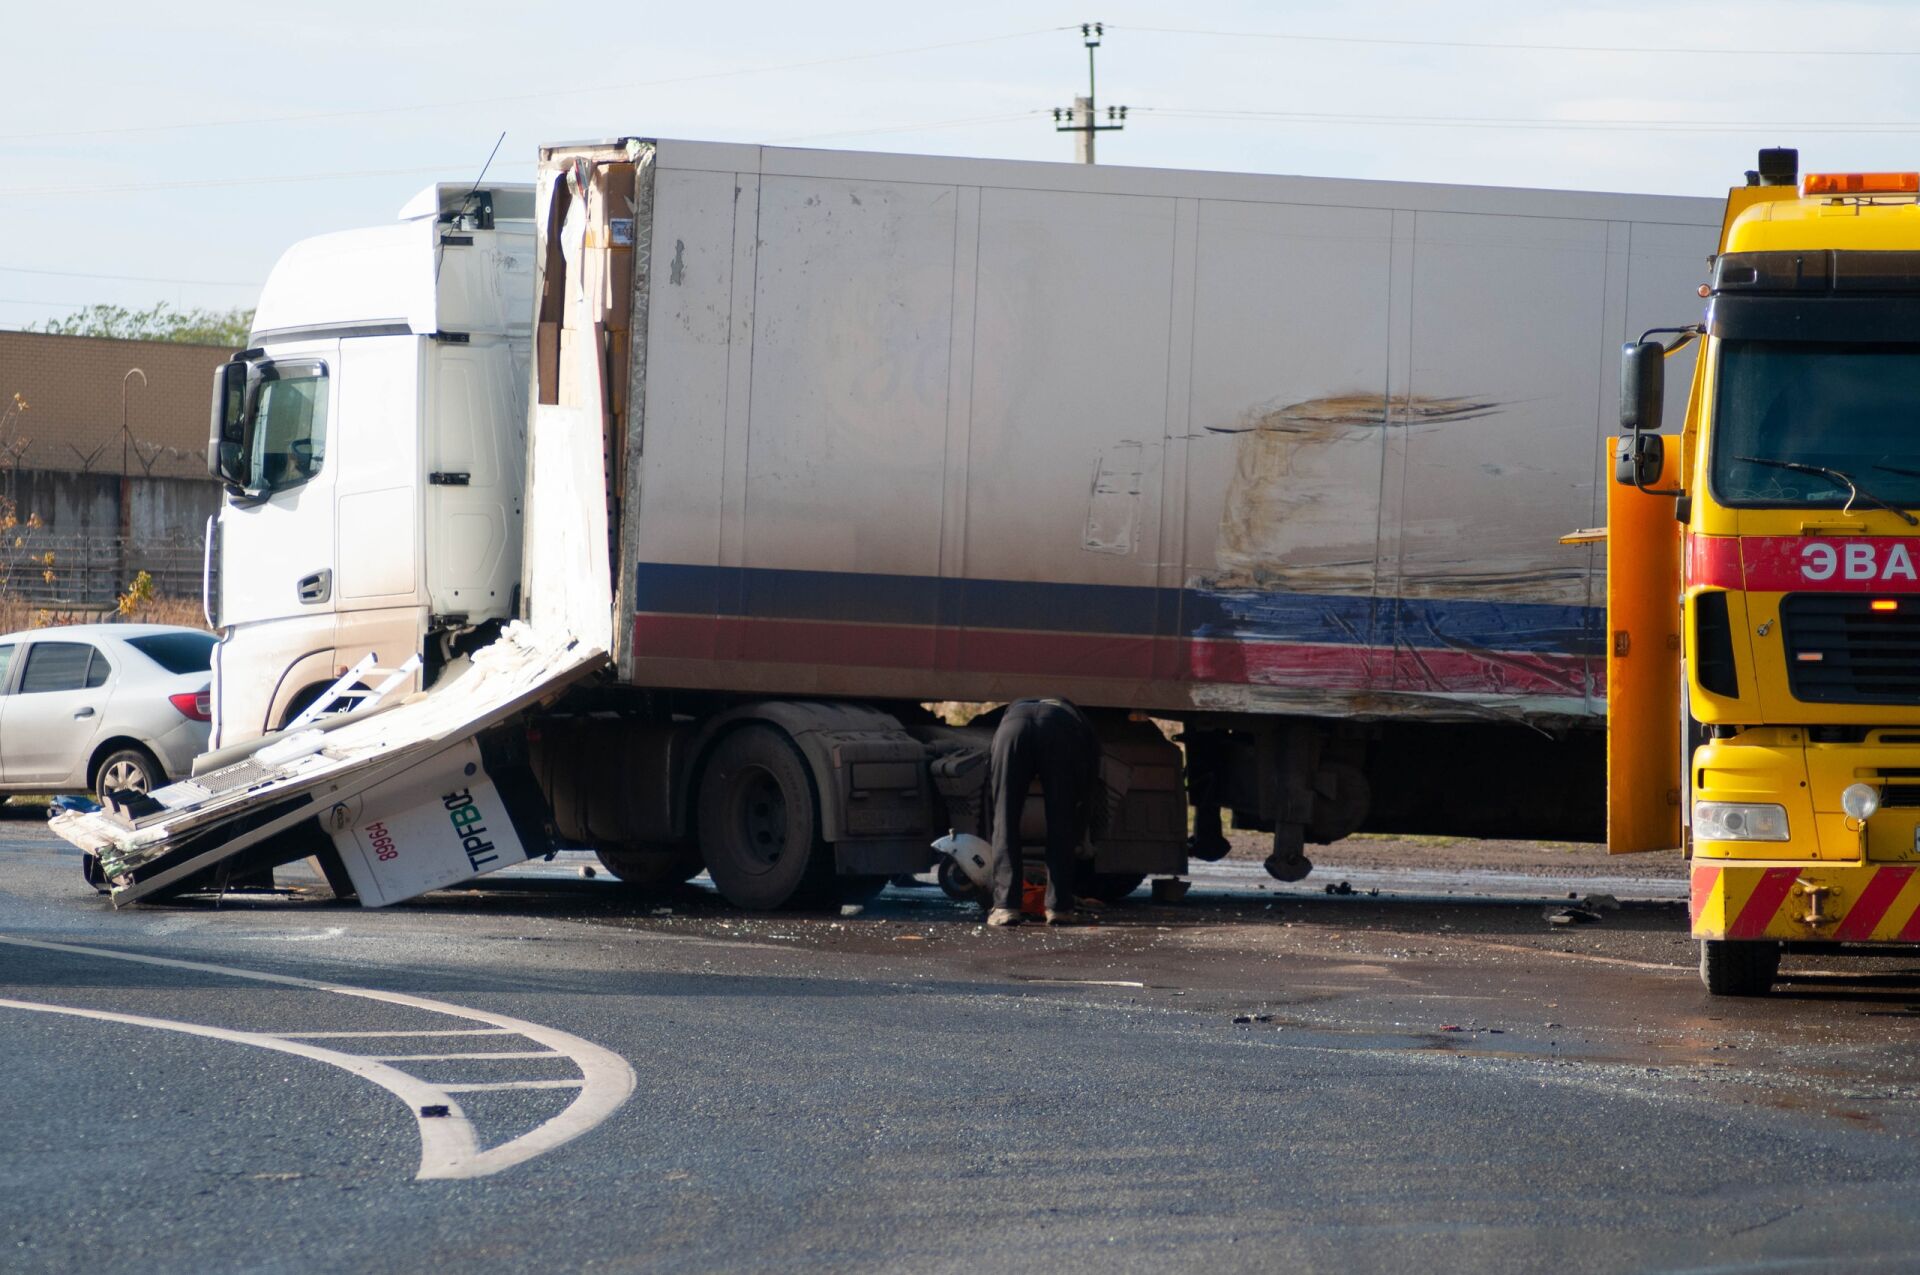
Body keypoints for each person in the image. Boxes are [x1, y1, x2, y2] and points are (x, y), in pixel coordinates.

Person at [986, 697, 1102, 927]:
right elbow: (1088, 785)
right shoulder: (1078, 721)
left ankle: (1005, 907)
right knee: (1062, 820)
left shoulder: (1012, 711)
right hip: (1059, 731)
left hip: (1012, 728)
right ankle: (1059, 907)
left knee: (1005, 818)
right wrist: (1080, 830)